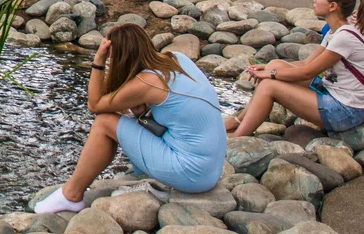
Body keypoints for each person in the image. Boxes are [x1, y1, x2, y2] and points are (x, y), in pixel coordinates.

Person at [33, 21, 228, 213]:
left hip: (191, 173)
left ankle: (71, 195)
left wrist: (99, 60)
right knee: (132, 117)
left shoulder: (147, 82)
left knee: (104, 123)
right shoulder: (176, 59)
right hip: (211, 168)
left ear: (120, 58)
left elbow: (95, 105)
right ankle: (140, 174)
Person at [226, 0, 364, 136]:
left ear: (333, 6)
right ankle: (237, 121)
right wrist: (268, 68)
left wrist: (270, 74)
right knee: (276, 64)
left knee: (268, 86)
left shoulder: (344, 37)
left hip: (346, 111)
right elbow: (307, 62)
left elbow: (308, 72)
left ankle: (237, 137)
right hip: (335, 92)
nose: (314, 0)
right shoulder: (337, 30)